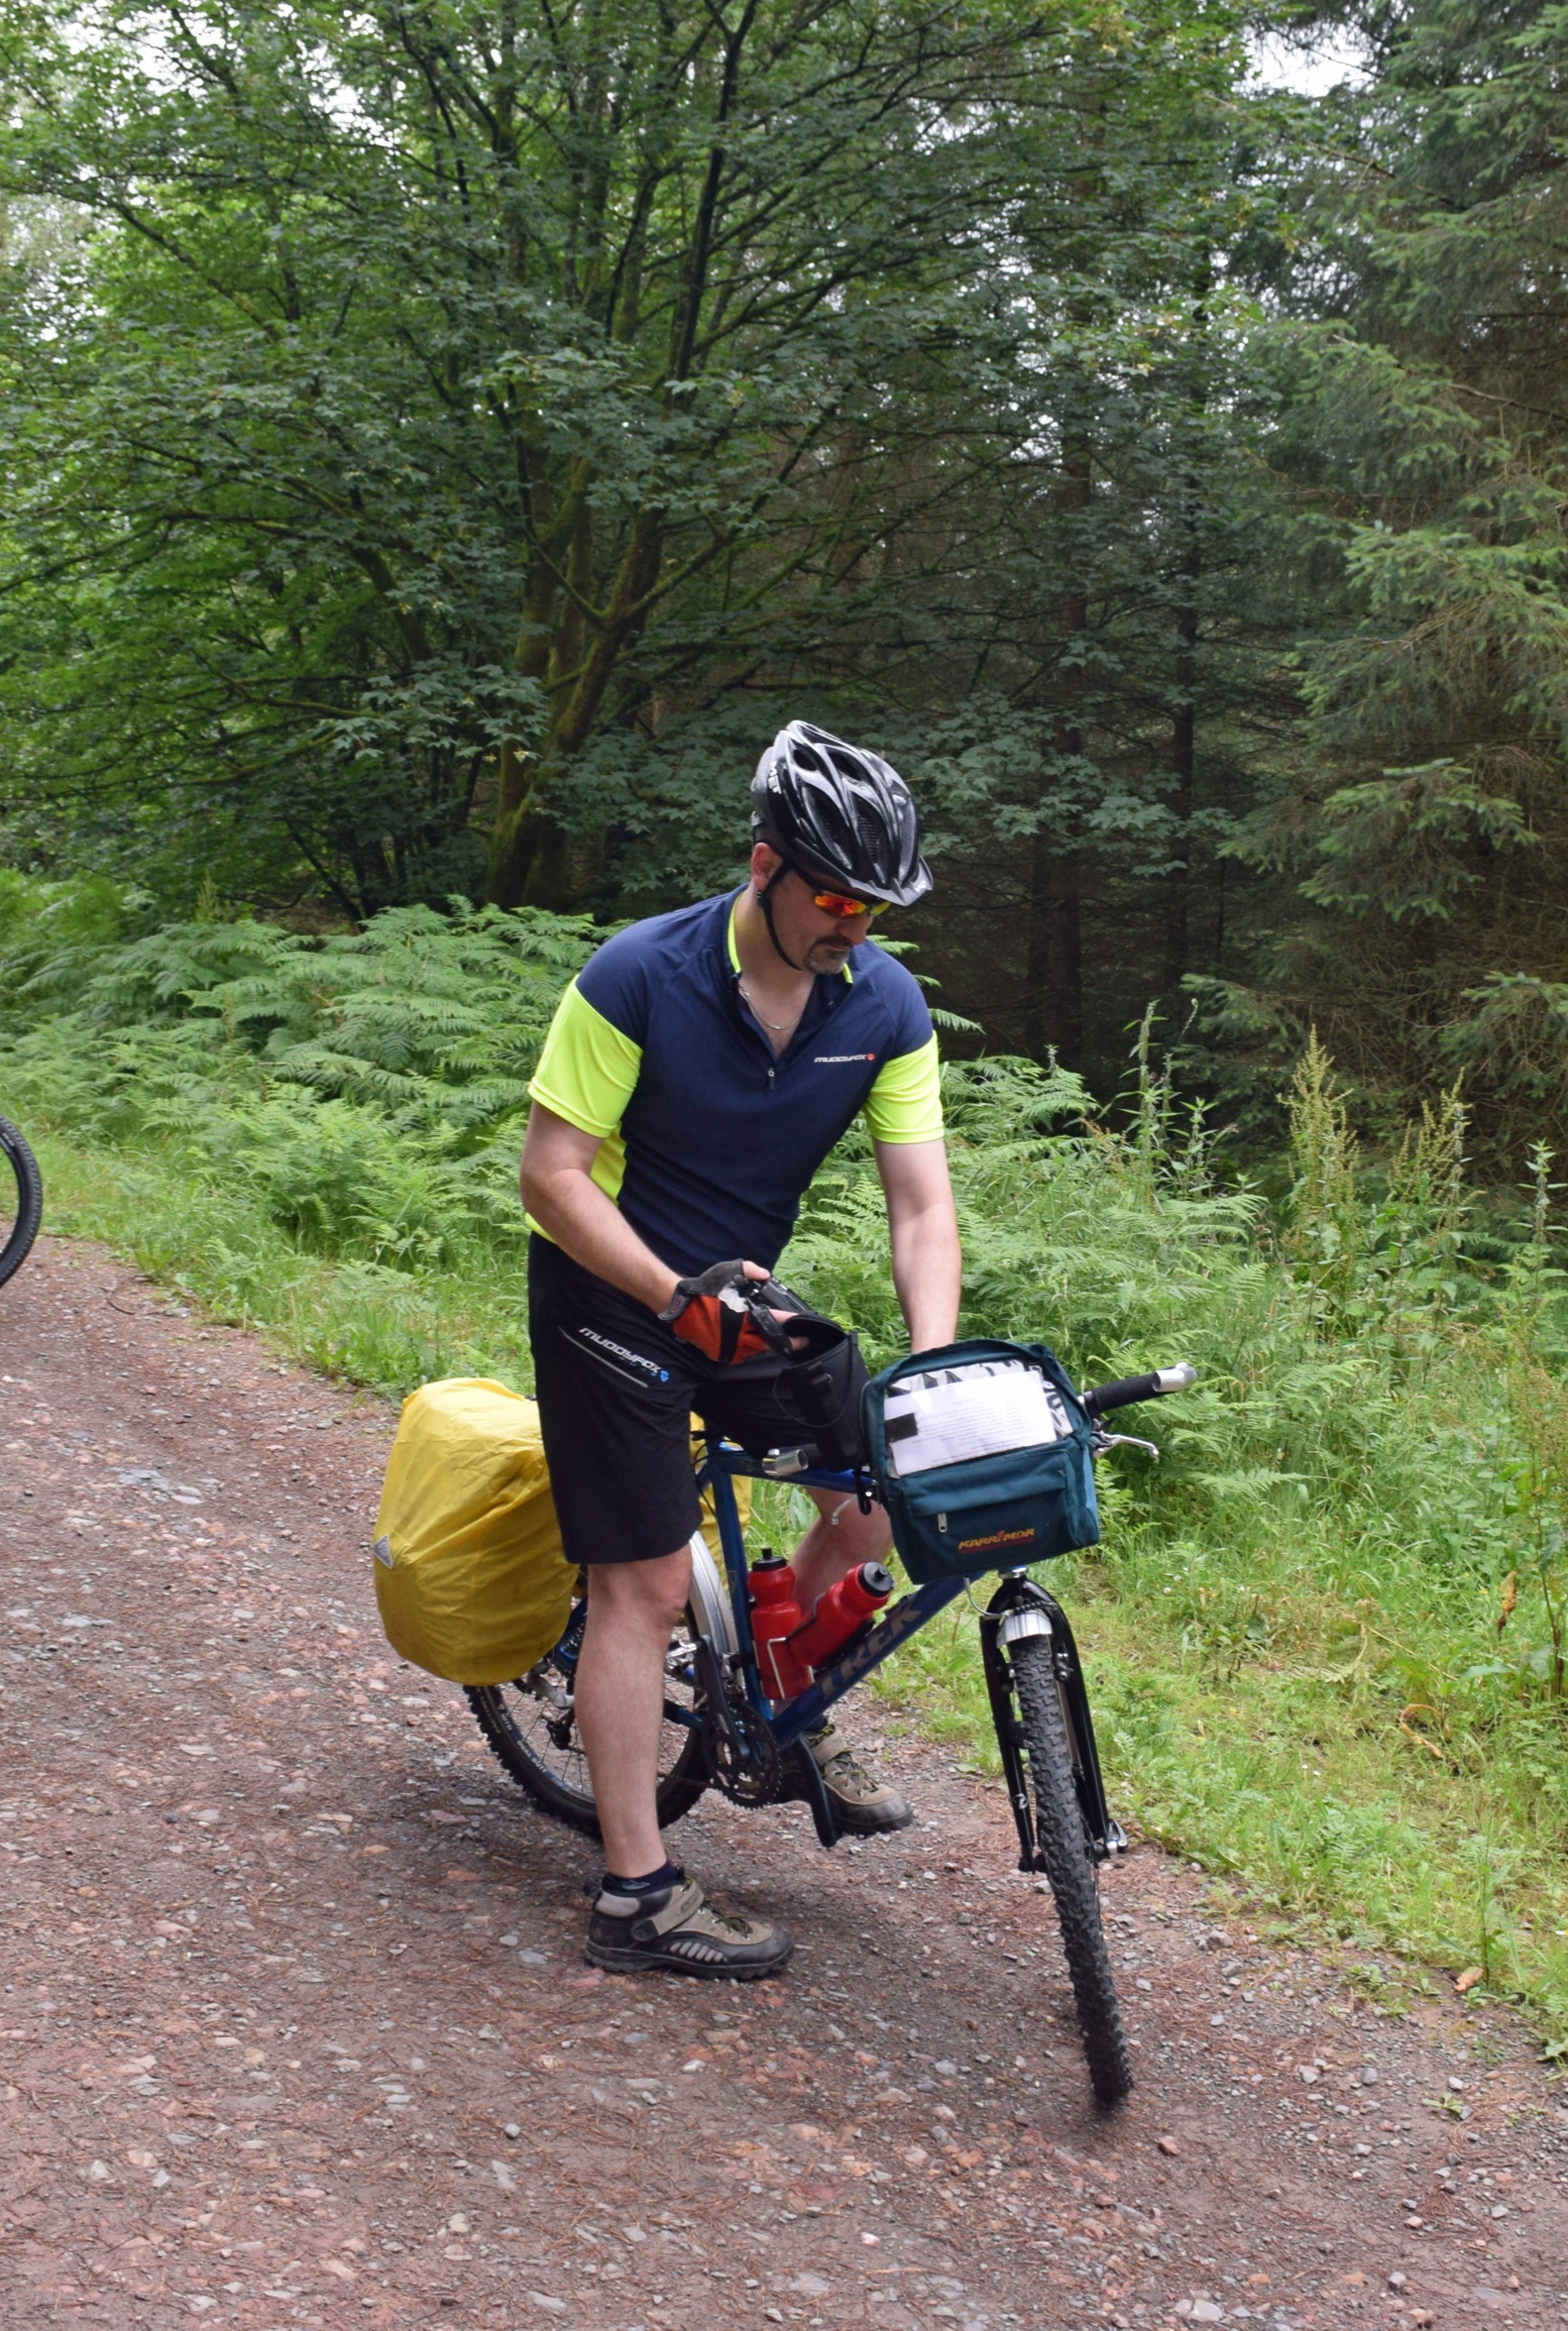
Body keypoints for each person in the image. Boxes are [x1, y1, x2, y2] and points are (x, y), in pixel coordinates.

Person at [516, 719, 956, 1979]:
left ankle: (778, 1698)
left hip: (748, 1296)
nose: (853, 924)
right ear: (764, 865)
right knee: (644, 1588)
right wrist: (667, 1294)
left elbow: (920, 1205)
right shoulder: (636, 975)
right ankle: (636, 1893)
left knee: (877, 1505)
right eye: (832, 895)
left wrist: (928, 1358)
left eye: (874, 902)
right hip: (613, 1294)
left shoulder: (885, 1003)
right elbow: (552, 1179)